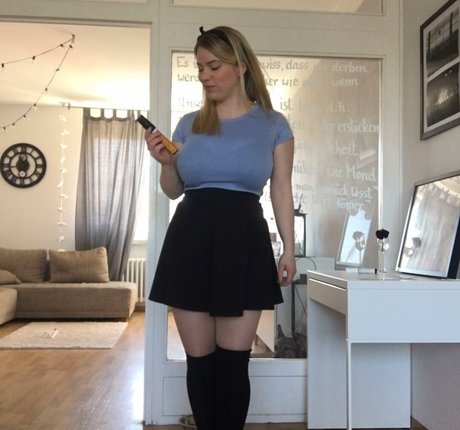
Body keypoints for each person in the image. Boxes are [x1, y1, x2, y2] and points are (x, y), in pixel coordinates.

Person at [145, 25, 296, 430]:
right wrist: (167, 164)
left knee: (232, 365)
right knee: (200, 364)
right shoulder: (189, 124)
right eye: (199, 68)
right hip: (190, 241)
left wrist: (288, 248)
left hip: (243, 243)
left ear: (241, 66)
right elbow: (173, 190)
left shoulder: (274, 124)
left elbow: (281, 190)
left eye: (214, 66)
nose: (204, 76)